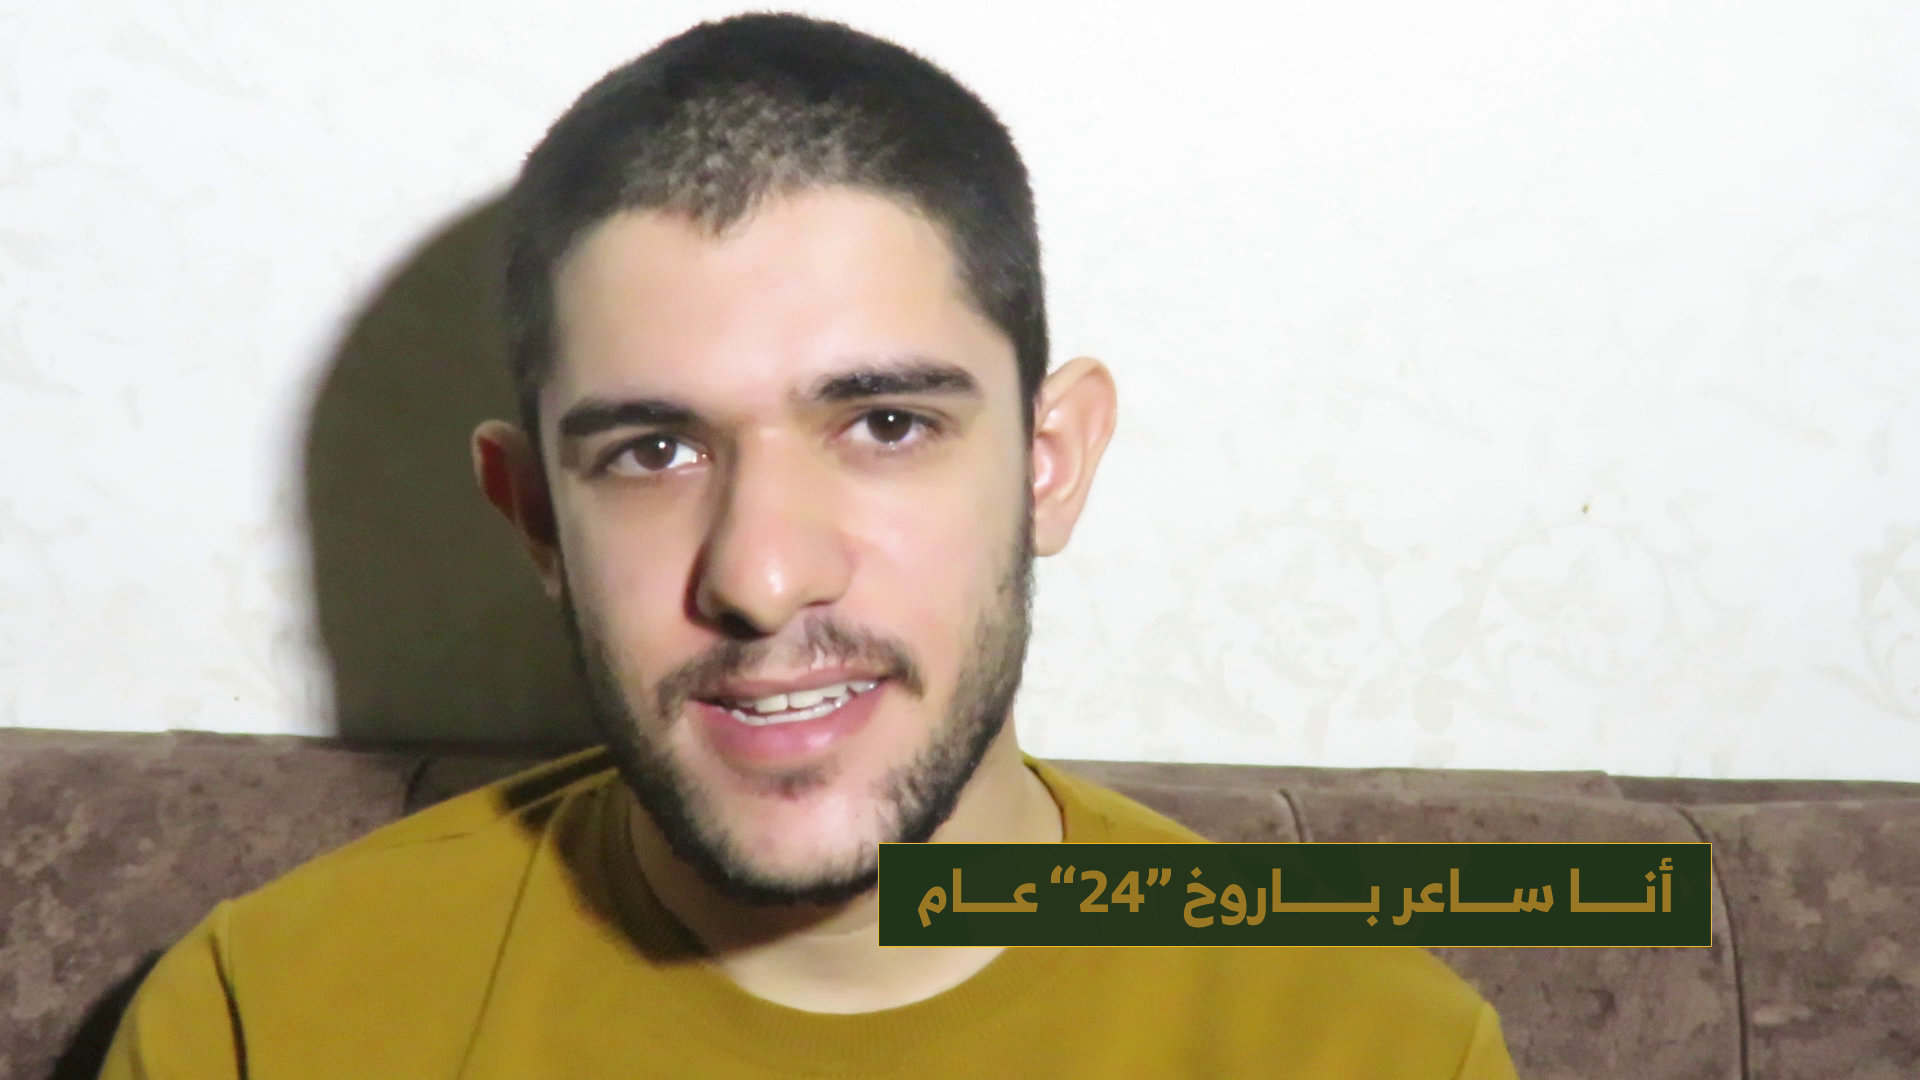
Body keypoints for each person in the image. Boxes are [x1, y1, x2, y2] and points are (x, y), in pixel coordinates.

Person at [101, 13, 1518, 1078]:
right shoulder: (267, 1020)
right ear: (535, 517)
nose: (763, 575)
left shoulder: (1373, 1046)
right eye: (653, 451)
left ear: (1049, 462)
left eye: (887, 425)